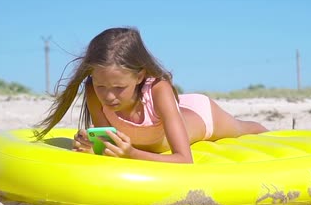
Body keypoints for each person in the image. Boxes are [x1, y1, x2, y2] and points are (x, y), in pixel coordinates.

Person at [34, 27, 267, 163]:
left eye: (118, 88)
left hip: (202, 116)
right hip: (168, 111)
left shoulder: (159, 88)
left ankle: (274, 133)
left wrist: (132, 153)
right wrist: (90, 146)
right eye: (101, 86)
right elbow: (108, 146)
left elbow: (184, 160)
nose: (109, 96)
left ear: (139, 76)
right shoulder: (93, 91)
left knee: (242, 129)